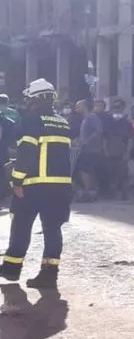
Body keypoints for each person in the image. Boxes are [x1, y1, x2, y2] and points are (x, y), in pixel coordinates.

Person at [2, 79, 74, 290]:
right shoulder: (62, 122)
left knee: (21, 225)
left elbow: (27, 152)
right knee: (52, 229)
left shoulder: (31, 121)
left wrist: (17, 180)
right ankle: (49, 275)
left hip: (34, 185)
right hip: (61, 186)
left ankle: (11, 269)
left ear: (35, 99)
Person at [103, 99, 134, 200]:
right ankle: (111, 193)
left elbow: (130, 139)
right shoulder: (108, 122)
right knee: (110, 173)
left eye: (119, 108)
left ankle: (125, 194)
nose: (117, 110)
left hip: (122, 152)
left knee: (123, 174)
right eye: (115, 108)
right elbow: (104, 139)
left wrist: (127, 153)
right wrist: (105, 151)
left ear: (123, 109)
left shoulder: (127, 123)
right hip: (110, 152)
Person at [0, 93, 18, 213]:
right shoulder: (13, 115)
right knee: (4, 173)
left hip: (3, 149)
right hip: (7, 149)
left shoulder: (3, 119)